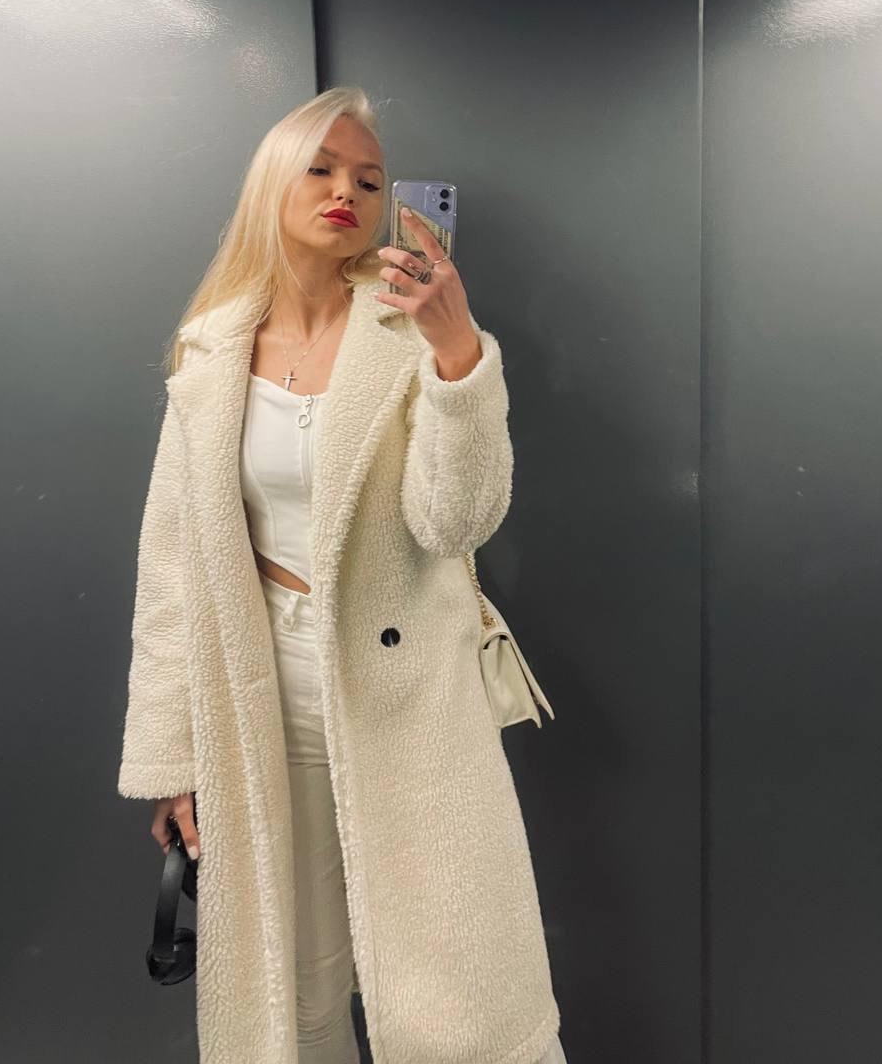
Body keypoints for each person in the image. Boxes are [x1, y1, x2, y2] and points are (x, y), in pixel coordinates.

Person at [118, 86, 566, 1063]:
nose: (346, 192)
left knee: (459, 1001)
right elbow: (173, 568)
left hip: (407, 691)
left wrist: (456, 350)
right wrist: (171, 757)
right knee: (295, 990)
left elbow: (456, 521)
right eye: (320, 169)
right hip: (259, 691)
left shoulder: (410, 333)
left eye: (369, 179)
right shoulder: (212, 350)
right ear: (271, 185)